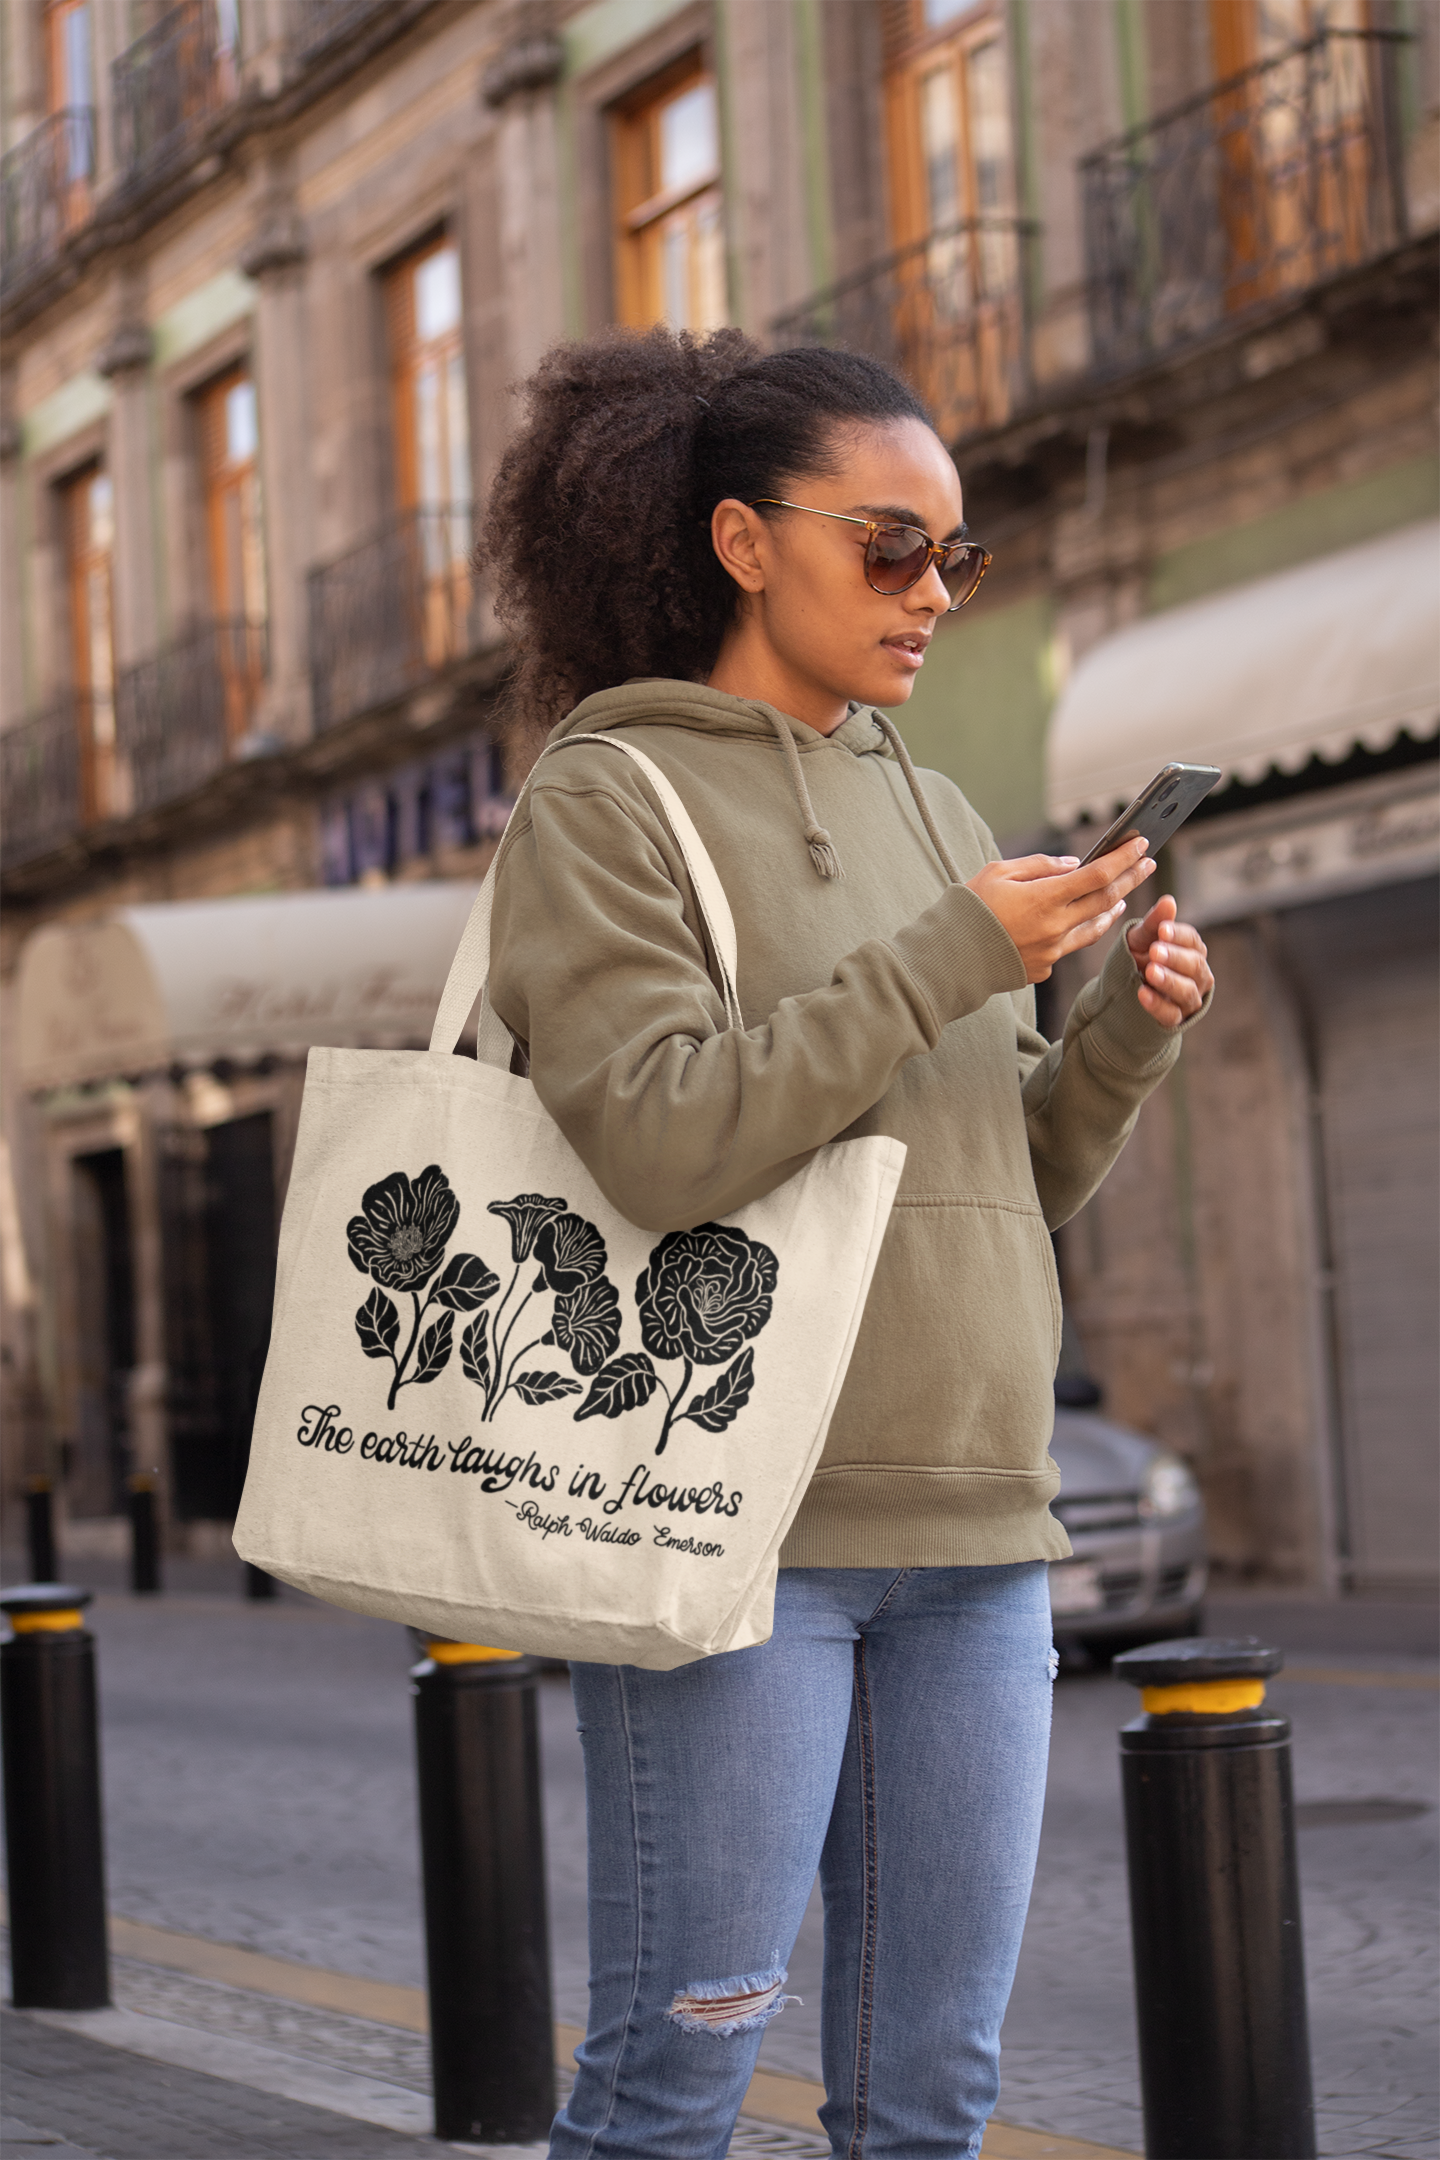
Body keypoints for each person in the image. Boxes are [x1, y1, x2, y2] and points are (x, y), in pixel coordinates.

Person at [479, 326, 1213, 2160]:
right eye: (890, 548)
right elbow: (659, 1136)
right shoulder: (607, 798)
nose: (933, 595)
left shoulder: (938, 811)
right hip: (733, 1540)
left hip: (980, 1529)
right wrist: (955, 953)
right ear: (743, 542)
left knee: (930, 2101)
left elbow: (1002, 1182)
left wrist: (1116, 1038)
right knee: (673, 2092)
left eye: (955, 557)